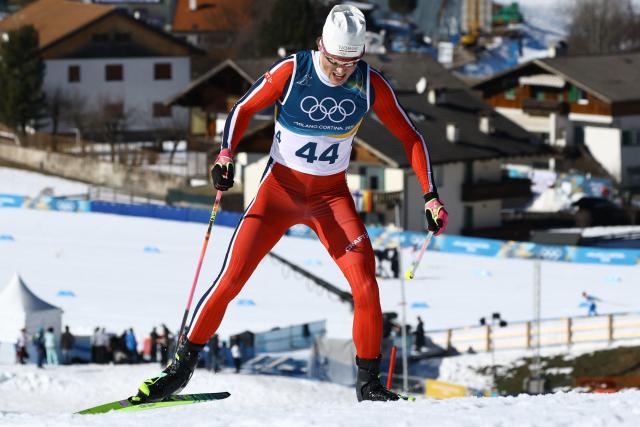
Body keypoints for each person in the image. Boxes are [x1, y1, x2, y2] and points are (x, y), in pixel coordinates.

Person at [134, 4, 447, 404]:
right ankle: (178, 371)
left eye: (349, 63)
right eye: (334, 61)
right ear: (321, 47)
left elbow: (412, 137)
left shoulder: (369, 85)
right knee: (230, 280)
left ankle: (369, 385)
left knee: (366, 285)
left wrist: (431, 195)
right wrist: (226, 154)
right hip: (278, 193)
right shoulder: (293, 70)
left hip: (330, 199)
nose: (340, 72)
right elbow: (243, 108)